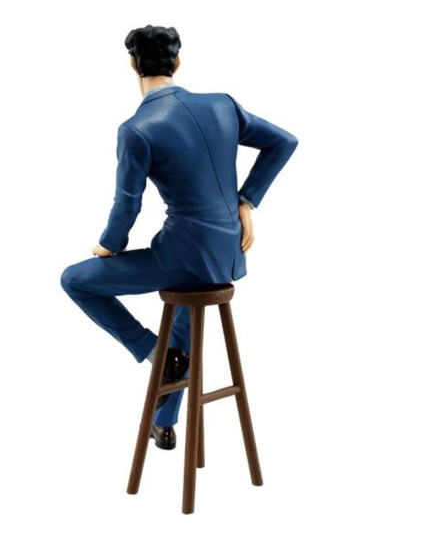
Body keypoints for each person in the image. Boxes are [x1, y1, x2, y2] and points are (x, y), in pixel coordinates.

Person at [60, 24, 298, 450]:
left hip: (182, 258)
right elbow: (283, 142)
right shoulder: (223, 104)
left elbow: (127, 205)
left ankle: (153, 351)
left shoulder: (137, 129)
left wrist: (109, 245)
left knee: (74, 280)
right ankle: (165, 422)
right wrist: (246, 201)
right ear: (179, 62)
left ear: (132, 65)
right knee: (183, 334)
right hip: (229, 256)